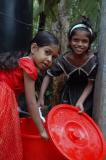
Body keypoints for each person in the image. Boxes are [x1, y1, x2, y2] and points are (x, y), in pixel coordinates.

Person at [0, 31, 59, 160]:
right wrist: (42, 131)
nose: (49, 60)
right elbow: (31, 103)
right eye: (47, 52)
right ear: (34, 48)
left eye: (54, 57)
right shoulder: (30, 67)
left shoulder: (22, 61)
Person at [38, 16, 98, 117]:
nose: (79, 44)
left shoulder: (92, 60)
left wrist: (80, 102)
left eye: (84, 41)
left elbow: (90, 84)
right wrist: (41, 96)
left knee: (82, 121)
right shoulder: (64, 60)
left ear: (89, 43)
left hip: (86, 98)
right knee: (66, 119)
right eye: (75, 40)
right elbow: (48, 75)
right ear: (70, 41)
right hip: (68, 96)